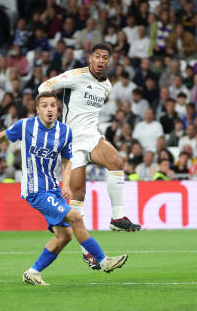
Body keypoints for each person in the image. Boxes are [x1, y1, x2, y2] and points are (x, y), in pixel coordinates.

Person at [0, 92, 128, 285]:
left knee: (65, 236)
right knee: (76, 218)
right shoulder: (26, 125)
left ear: (57, 109)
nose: (49, 109)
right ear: (37, 109)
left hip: (53, 189)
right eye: (44, 106)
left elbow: (67, 161)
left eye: (53, 105)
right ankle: (104, 261)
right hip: (35, 190)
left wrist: (66, 184)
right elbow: (3, 136)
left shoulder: (65, 131)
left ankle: (33, 272)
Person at [39, 42, 141, 271]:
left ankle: (117, 218)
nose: (101, 61)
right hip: (71, 141)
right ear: (89, 59)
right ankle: (88, 253)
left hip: (92, 136)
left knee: (116, 161)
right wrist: (50, 110)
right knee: (78, 196)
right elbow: (45, 85)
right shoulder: (76, 76)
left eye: (106, 57)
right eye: (97, 56)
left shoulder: (106, 85)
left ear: (109, 61)